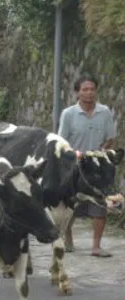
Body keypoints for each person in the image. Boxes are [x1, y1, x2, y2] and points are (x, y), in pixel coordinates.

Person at [58, 74, 116, 258]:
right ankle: (68, 238)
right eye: (85, 89)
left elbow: (110, 138)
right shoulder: (68, 114)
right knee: (72, 205)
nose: (89, 93)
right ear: (77, 93)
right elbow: (61, 141)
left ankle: (96, 246)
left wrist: (100, 151)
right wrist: (75, 154)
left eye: (92, 89)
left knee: (101, 204)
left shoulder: (104, 112)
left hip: (97, 167)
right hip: (75, 166)